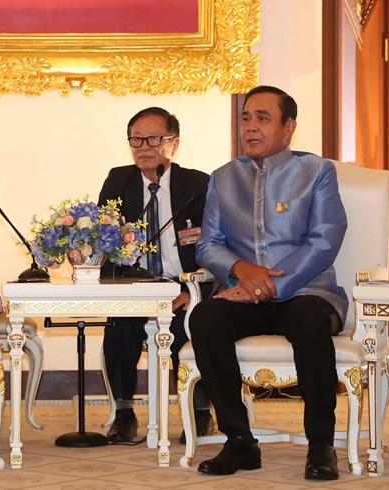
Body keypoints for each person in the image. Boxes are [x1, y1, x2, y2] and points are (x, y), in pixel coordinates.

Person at [189, 86, 347, 480]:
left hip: (309, 290)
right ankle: (239, 440)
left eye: (263, 118)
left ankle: (320, 445)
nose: (251, 127)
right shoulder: (223, 178)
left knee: (308, 320)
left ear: (288, 126)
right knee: (205, 318)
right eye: (246, 118)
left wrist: (273, 284)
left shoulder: (317, 171)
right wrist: (242, 270)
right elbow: (208, 244)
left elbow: (325, 238)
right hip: (244, 295)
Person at [98, 107, 213, 443]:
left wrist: (191, 293)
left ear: (173, 144)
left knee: (192, 325)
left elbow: (216, 246)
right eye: (136, 138)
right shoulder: (118, 181)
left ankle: (201, 412)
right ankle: (123, 413)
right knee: (119, 326)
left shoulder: (198, 184)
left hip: (185, 284)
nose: (143, 146)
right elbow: (105, 240)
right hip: (136, 283)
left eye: (153, 138)